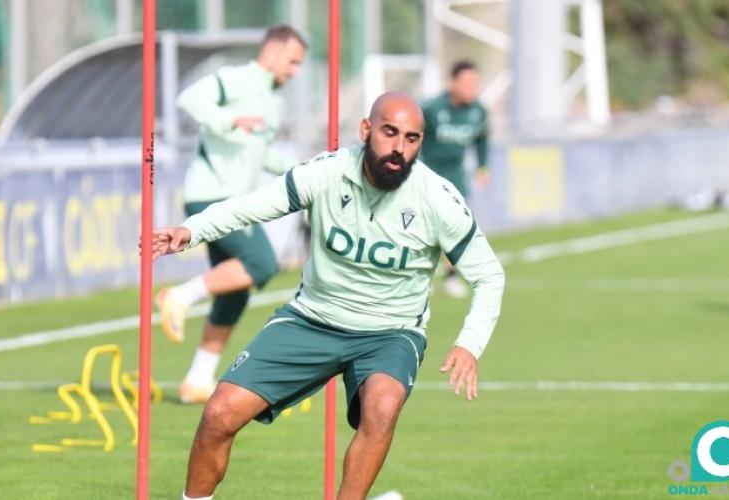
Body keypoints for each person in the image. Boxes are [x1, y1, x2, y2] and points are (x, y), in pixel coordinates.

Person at [152, 91, 505, 500]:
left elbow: (489, 275)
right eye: (390, 132)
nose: (399, 148)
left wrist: (469, 344)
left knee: (383, 406)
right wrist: (192, 230)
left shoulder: (437, 198)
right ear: (366, 129)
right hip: (312, 319)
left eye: (411, 138)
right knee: (219, 413)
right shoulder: (327, 172)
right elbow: (251, 206)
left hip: (390, 333)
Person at [155, 24, 307, 404]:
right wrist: (229, 120)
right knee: (262, 264)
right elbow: (189, 99)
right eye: (292, 62)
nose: (295, 71)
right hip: (210, 196)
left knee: (234, 294)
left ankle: (197, 381)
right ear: (272, 52)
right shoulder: (237, 79)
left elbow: (260, 153)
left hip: (235, 202)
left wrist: (302, 174)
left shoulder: (274, 102)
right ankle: (179, 296)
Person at [420, 60, 491, 298]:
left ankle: (451, 277)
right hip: (427, 175)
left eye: (475, 84)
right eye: (466, 84)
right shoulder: (431, 109)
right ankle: (418, 277)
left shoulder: (478, 111)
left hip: (456, 177)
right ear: (453, 83)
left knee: (455, 228)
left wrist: (483, 165)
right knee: (424, 230)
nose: (472, 89)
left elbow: (481, 139)